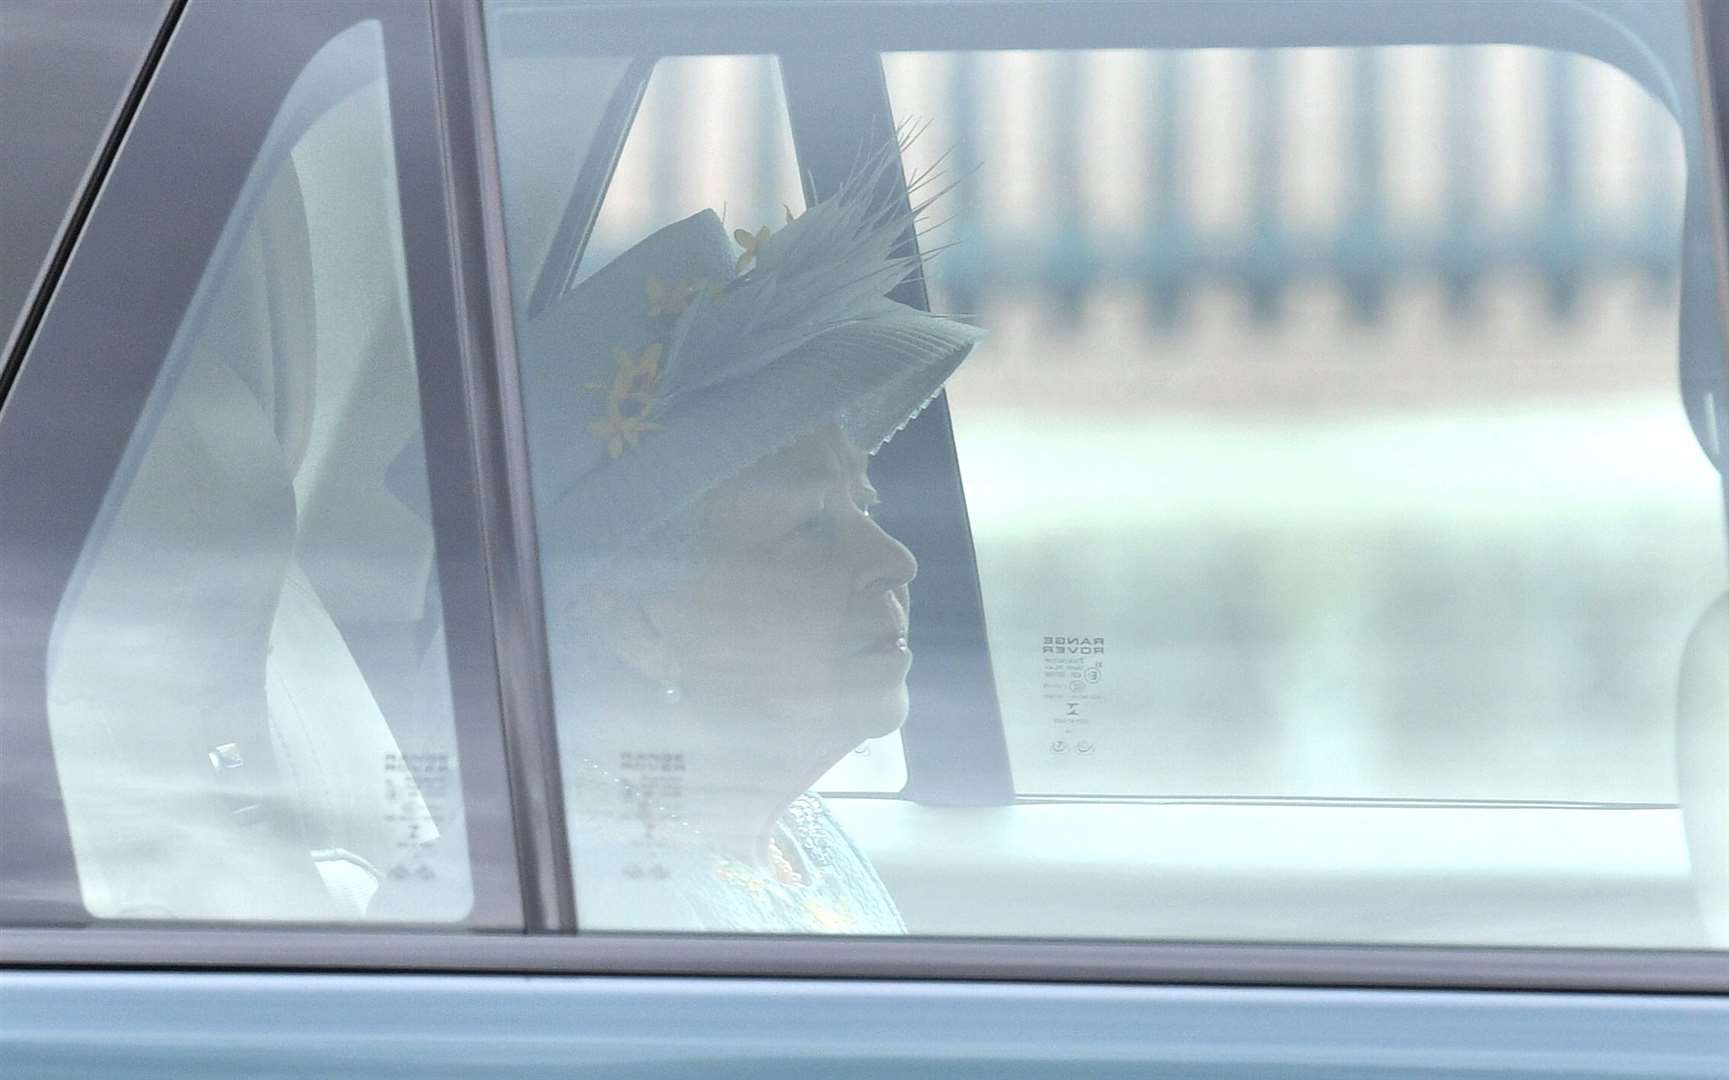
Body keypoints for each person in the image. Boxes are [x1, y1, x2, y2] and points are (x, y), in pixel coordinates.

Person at [517, 138, 982, 933]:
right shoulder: (615, 903)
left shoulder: (795, 835)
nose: (894, 561)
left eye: (861, 508)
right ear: (637, 623)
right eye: (811, 527)